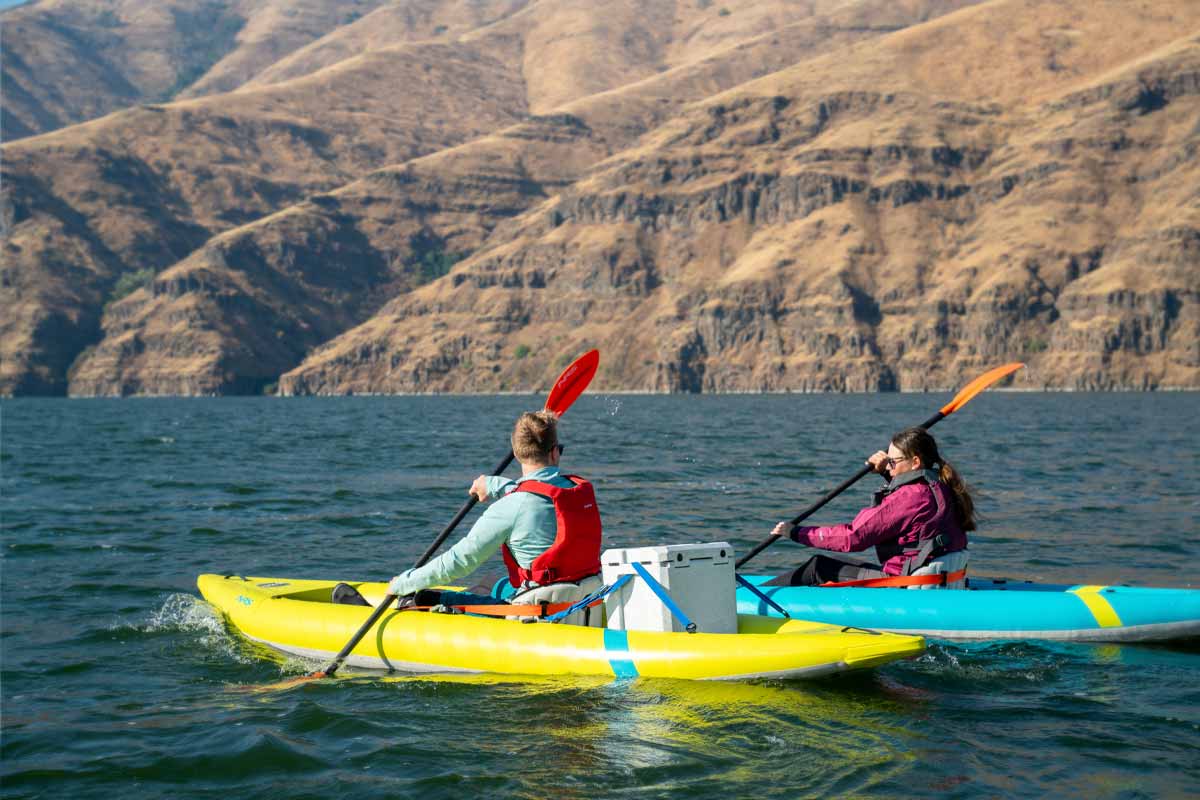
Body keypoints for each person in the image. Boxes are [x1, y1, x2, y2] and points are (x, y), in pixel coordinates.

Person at [336, 410, 605, 623]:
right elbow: (540, 492)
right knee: (493, 584)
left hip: (536, 615)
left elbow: (459, 562)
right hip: (584, 600)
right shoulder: (578, 492)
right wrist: (495, 484)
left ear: (516, 449)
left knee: (422, 595)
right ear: (555, 451)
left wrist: (404, 581)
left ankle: (405, 607)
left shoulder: (509, 508)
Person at [767, 426, 974, 588]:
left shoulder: (910, 497)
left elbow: (853, 537)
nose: (889, 465)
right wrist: (887, 471)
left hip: (901, 583)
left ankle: (743, 604)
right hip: (939, 578)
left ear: (915, 462)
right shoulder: (943, 486)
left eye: (893, 461)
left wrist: (796, 533)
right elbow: (909, 508)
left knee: (818, 567)